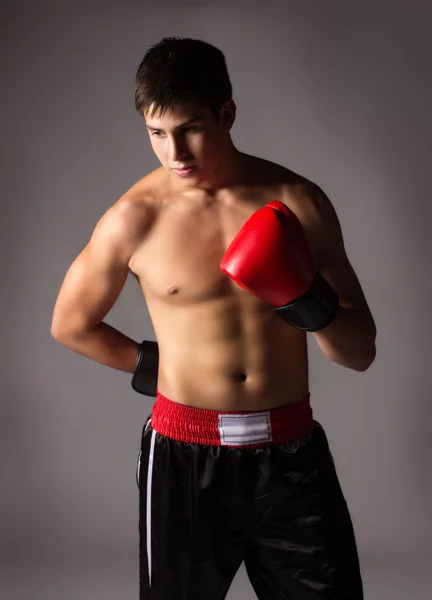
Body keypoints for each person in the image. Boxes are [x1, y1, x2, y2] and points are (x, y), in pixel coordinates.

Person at [51, 37, 376, 600]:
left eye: (189, 128)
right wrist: (164, 367)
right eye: (156, 133)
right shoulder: (135, 218)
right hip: (183, 459)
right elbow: (70, 324)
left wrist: (303, 298)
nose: (174, 151)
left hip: (291, 454)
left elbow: (359, 352)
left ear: (227, 114)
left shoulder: (297, 202)